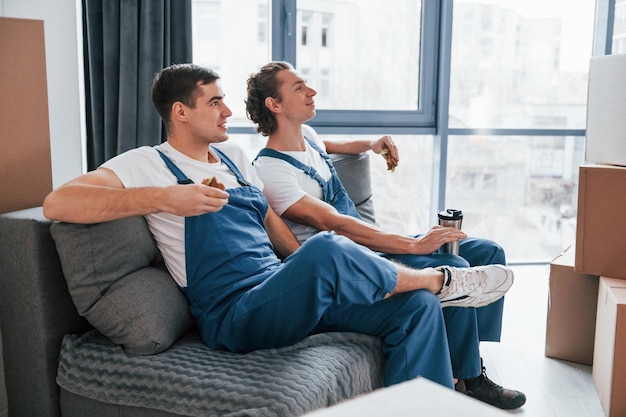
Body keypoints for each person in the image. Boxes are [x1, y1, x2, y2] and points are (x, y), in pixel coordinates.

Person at [43, 63, 513, 393]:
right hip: (233, 312)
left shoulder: (236, 158)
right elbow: (58, 201)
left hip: (277, 290)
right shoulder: (148, 164)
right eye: (214, 102)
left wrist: (302, 271)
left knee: (413, 308)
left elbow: (270, 222)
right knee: (330, 248)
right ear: (180, 112)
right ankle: (443, 279)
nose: (227, 112)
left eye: (225, 100)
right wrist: (166, 197)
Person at [245, 61, 526, 410]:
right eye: (299, 88)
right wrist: (414, 243)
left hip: (369, 243)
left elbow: (334, 144)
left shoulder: (309, 139)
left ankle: (465, 361)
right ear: (275, 105)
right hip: (351, 265)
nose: (312, 91)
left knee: (487, 251)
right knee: (453, 262)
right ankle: (469, 378)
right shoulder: (270, 170)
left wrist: (373, 143)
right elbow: (338, 224)